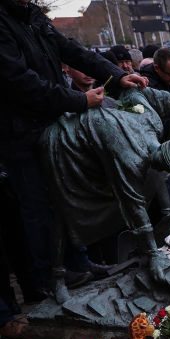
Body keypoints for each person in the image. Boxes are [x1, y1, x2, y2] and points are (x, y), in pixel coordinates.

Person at [1, 0, 147, 292]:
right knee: (39, 206)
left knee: (64, 196)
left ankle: (78, 262)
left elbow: (71, 50)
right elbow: (19, 82)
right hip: (19, 134)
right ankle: (49, 276)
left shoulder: (32, 16)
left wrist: (117, 75)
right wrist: (78, 100)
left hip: (50, 126)